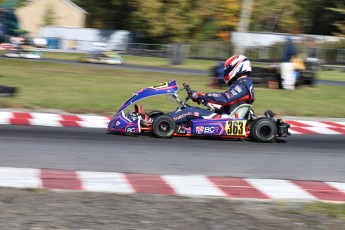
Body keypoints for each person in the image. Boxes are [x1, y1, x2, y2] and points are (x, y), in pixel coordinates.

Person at [166, 54, 255, 124]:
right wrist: (202, 99)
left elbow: (225, 98)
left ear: (238, 67)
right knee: (186, 108)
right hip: (226, 115)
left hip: (226, 119)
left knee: (190, 112)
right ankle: (161, 118)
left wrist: (201, 95)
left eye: (228, 70)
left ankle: (163, 122)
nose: (226, 73)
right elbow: (226, 104)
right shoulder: (241, 84)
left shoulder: (244, 85)